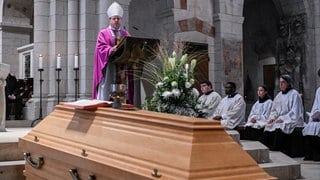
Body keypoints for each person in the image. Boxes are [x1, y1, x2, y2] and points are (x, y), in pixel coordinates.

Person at [92, 1, 130, 101]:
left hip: (121, 67)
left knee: (121, 93)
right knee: (108, 92)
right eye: (114, 18)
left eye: (118, 18)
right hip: (109, 67)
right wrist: (110, 49)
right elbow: (100, 48)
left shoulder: (125, 33)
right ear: (110, 20)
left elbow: (131, 46)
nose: (116, 20)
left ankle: (121, 107)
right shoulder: (103, 33)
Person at [262, 74, 304, 155]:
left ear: (288, 83)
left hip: (293, 119)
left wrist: (284, 119)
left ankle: (280, 150)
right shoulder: (279, 95)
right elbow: (274, 110)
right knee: (268, 126)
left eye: (283, 82)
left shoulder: (294, 94)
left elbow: (295, 111)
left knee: (281, 126)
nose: (280, 84)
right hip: (279, 119)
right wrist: (272, 118)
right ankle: (269, 150)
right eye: (280, 82)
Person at [302, 68, 320, 161]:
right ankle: (313, 155)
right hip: (318, 118)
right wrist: (314, 115)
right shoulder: (319, 90)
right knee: (310, 127)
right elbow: (316, 105)